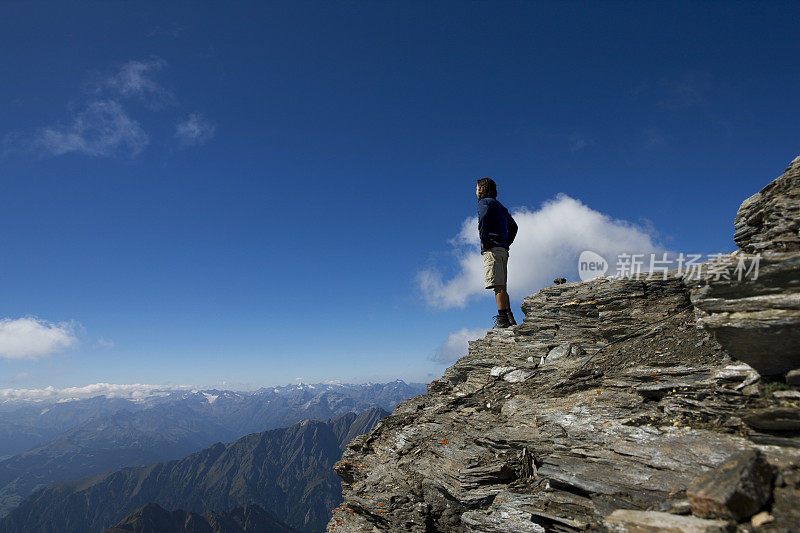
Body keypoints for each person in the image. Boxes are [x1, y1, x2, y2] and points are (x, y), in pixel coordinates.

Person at [476, 177, 518, 328]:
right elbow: (514, 227)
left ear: (482, 189)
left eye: (476, 188)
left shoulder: (484, 203)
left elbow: (483, 221)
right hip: (503, 249)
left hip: (492, 248)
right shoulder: (501, 207)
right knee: (502, 286)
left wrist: (485, 241)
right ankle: (509, 317)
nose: (475, 192)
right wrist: (506, 243)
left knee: (497, 286)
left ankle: (502, 319)